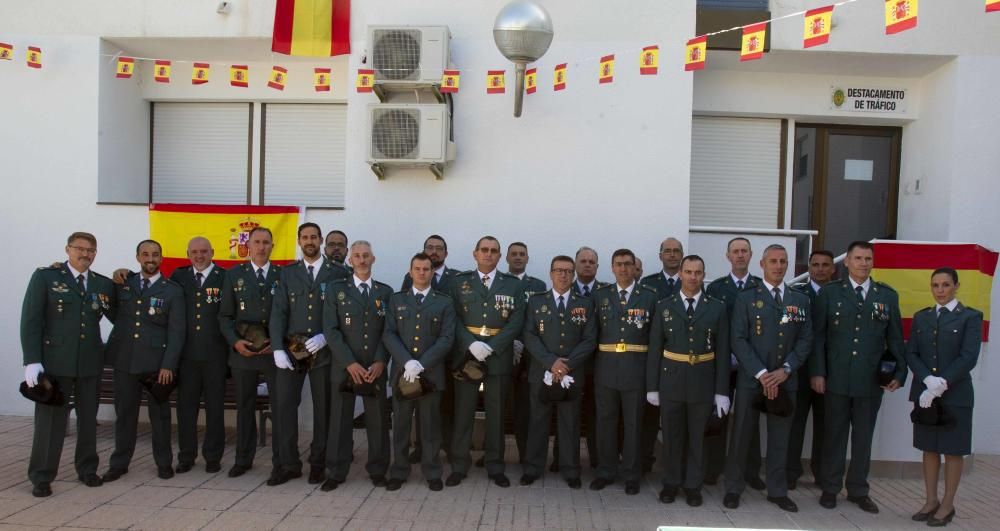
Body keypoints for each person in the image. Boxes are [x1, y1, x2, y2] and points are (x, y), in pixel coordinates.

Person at [811, 240, 907, 513]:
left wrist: (900, 372)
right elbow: (818, 337)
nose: (863, 263)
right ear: (847, 262)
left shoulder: (886, 296)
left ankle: (858, 490)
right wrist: (818, 372)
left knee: (864, 438)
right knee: (834, 436)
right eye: (858, 258)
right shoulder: (830, 294)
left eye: (868, 259)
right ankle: (830, 488)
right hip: (837, 379)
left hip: (869, 381)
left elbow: (895, 338)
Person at [21, 232, 117, 497]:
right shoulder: (46, 277)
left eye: (91, 250)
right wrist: (31, 360)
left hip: (89, 362)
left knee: (88, 420)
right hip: (55, 363)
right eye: (80, 249)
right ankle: (41, 476)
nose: (85, 254)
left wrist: (125, 278)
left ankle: (87, 469)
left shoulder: (102, 284)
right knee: (50, 423)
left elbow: (122, 315)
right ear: (68, 249)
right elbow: (31, 320)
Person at [723, 244, 812, 512]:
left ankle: (777, 490)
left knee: (780, 439)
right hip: (753, 380)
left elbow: (806, 338)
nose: (778, 266)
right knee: (741, 437)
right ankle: (733, 488)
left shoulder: (800, 299)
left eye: (783, 261)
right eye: (773, 261)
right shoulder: (747, 298)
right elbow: (738, 339)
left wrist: (786, 369)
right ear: (761, 264)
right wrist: (762, 374)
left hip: (786, 380)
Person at [269, 222, 350, 486]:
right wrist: (278, 348)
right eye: (305, 237)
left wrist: (327, 336)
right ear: (298, 240)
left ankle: (319, 463)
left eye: (314, 237)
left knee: (323, 409)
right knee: (284, 408)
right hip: (292, 350)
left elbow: (342, 311)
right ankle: (287, 464)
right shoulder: (288, 273)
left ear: (321, 239)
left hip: (322, 349)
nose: (309, 241)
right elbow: (278, 311)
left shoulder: (338, 272)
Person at [646, 255, 730, 507]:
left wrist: (721, 391)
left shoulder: (717, 307)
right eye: (689, 272)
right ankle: (671, 483)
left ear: (704, 275)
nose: (693, 277)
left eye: (698, 272)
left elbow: (723, 352)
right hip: (671, 381)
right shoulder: (664, 306)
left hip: (703, 382)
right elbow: (655, 349)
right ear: (680, 274)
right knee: (672, 437)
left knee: (697, 438)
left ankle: (693, 486)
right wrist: (652, 386)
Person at [103, 240, 185, 482]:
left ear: (161, 258)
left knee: (159, 417)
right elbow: (113, 313)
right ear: (138, 257)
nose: (150, 258)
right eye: (145, 254)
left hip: (155, 364)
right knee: (124, 415)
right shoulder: (123, 285)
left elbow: (177, 332)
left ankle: (163, 463)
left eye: (155, 254)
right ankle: (119, 463)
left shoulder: (172, 290)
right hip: (125, 361)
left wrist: (168, 365)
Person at [446, 236, 525, 488]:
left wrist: (492, 346)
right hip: (467, 355)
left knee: (496, 414)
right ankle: (459, 464)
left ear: (500, 256)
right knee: (464, 412)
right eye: (484, 250)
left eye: (493, 251)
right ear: (475, 253)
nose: (488, 254)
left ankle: (495, 465)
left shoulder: (512, 285)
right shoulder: (459, 282)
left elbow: (516, 321)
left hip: (498, 356)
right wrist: (471, 344)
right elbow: (453, 318)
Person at [906, 268, 982, 526]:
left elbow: (969, 356)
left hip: (955, 395)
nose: (940, 290)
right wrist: (927, 380)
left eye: (945, 285)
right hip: (925, 394)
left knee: (952, 451)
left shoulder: (970, 317)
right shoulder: (922, 317)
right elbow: (912, 353)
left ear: (956, 286)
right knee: (928, 448)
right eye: (935, 285)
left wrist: (942, 383)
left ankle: (947, 504)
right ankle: (931, 500)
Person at [519, 255, 596, 489]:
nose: (563, 275)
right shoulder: (535, 302)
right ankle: (532, 468)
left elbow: (590, 339)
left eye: (567, 271)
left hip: (571, 373)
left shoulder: (585, 303)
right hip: (541, 372)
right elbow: (529, 335)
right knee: (538, 421)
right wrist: (551, 362)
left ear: (573, 275)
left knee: (570, 423)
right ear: (550, 273)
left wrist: (567, 365)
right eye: (558, 270)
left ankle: (571, 469)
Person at [321, 240, 392, 490]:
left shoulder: (385, 292)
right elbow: (330, 329)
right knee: (339, 420)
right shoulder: (335, 290)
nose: (361, 260)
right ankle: (336, 471)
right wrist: (349, 362)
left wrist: (381, 360)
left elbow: (389, 331)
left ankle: (378, 469)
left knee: (378, 421)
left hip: (375, 367)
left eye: (366, 255)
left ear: (373, 259)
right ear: (350, 261)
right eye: (357, 256)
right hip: (344, 366)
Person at [383, 253, 457, 491]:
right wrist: (407, 362)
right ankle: (399, 471)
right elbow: (389, 333)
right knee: (402, 426)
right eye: (418, 269)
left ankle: (432, 471)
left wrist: (422, 363)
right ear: (410, 271)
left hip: (431, 374)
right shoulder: (396, 300)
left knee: (430, 427)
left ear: (432, 272)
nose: (422, 273)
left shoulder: (444, 302)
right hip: (403, 374)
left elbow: (447, 338)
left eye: (426, 269)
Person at [589, 249, 658, 495]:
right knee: (604, 422)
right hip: (606, 368)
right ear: (612, 267)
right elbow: (591, 334)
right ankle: (606, 471)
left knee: (633, 424)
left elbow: (655, 339)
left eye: (628, 264)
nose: (623, 269)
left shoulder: (649, 297)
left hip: (636, 369)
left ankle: (631, 474)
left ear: (635, 267)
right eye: (618, 264)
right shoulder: (600, 295)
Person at [218, 227, 282, 479]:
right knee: (244, 407)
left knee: (280, 408)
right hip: (243, 353)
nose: (261, 247)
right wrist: (235, 342)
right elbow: (224, 316)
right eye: (257, 242)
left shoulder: (282, 275)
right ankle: (243, 459)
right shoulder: (234, 275)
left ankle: (281, 460)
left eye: (266, 242)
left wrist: (278, 344)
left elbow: (287, 313)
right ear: (249, 245)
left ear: (272, 245)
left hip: (273, 353)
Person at [705, 237, 764, 489]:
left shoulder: (762, 287)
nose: (740, 255)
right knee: (719, 416)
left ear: (751, 256)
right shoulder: (717, 289)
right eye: (735, 252)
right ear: (727, 256)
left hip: (753, 365)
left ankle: (750, 471)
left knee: (749, 417)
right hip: (723, 365)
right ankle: (713, 468)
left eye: (744, 251)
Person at [401, 234, 460, 463]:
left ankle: (449, 445)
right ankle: (421, 447)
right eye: (430, 248)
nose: (434, 251)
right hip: (418, 356)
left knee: (447, 403)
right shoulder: (411, 277)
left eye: (439, 248)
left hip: (447, 354)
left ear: (446, 253)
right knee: (419, 399)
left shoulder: (456, 279)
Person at [172, 237, 228, 474]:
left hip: (216, 355)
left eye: (204, 251)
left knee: (215, 409)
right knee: (186, 409)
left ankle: (213, 456)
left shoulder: (225, 277)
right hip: (187, 356)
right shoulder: (179, 277)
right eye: (194, 252)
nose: (199, 256)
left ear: (212, 252)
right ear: (188, 254)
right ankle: (186, 456)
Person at [787, 249, 835, 490]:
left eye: (825, 265)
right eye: (815, 264)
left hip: (830, 372)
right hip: (800, 369)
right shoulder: (797, 294)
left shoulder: (839, 294)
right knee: (795, 423)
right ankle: (791, 472)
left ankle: (822, 474)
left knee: (826, 426)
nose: (820, 269)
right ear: (809, 267)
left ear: (833, 269)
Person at [639, 236, 685, 472]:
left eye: (677, 251)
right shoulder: (648, 283)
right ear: (660, 256)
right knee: (649, 415)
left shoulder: (691, 281)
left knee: (677, 419)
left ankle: (674, 466)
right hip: (652, 359)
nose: (672, 255)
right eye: (667, 251)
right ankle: (645, 461)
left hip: (679, 361)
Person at [507, 241, 548, 466]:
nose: (518, 258)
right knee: (499, 406)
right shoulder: (500, 284)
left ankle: (526, 455)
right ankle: (492, 452)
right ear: (507, 258)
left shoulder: (538, 285)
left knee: (526, 408)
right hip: (505, 351)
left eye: (522, 254)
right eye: (514, 254)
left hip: (530, 355)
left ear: (528, 259)